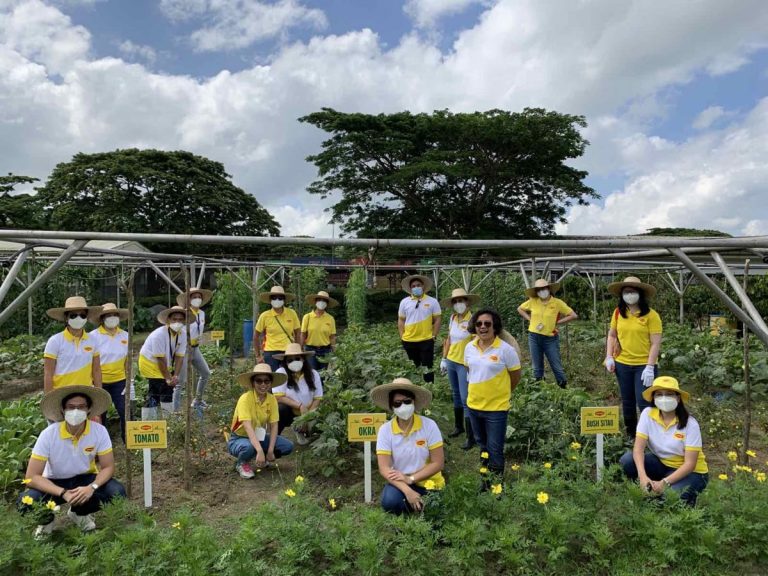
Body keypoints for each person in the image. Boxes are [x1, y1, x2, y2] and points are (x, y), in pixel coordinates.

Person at [18, 385, 127, 536]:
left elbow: (108, 467)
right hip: (54, 481)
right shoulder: (48, 435)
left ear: (89, 410)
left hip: (85, 479)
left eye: (81, 407)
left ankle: (79, 512)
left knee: (117, 492)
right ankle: (46, 521)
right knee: (26, 501)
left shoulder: (99, 431)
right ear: (63, 410)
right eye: (71, 407)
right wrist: (63, 493)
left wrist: (92, 487)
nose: (76, 411)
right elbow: (31, 477)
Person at [620, 376, 708, 506]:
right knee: (627, 461)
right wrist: (642, 477)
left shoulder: (690, 424)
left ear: (678, 398)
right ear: (653, 398)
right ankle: (646, 487)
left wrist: (664, 483)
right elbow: (638, 450)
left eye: (669, 394)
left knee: (670, 498)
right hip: (661, 464)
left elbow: (690, 464)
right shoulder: (647, 414)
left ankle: (683, 496)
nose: (664, 398)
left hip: (692, 472)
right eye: (659, 394)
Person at [464, 308, 522, 488]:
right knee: (482, 446)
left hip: (496, 409)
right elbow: (470, 371)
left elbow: (515, 376)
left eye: (487, 324)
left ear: (495, 327)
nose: (483, 327)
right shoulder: (469, 347)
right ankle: (485, 481)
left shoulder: (506, 350)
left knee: (495, 448)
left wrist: (502, 392)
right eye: (479, 324)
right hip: (474, 406)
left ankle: (497, 485)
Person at [372, 378, 445, 515]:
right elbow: (384, 468)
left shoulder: (429, 425)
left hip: (429, 481)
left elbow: (438, 462)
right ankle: (404, 522)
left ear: (414, 402)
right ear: (391, 406)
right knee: (390, 501)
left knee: (435, 514)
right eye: (397, 403)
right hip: (400, 482)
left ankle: (421, 512)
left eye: (407, 401)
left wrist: (411, 479)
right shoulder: (385, 430)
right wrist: (407, 489)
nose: (403, 406)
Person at [605, 276, 663, 438]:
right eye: (626, 291)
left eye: (633, 291)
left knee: (644, 401)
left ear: (640, 294)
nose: (629, 294)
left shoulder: (652, 316)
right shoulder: (618, 313)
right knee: (628, 400)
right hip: (622, 364)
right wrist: (609, 356)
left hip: (644, 366)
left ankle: (649, 435)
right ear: (622, 294)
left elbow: (655, 344)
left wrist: (650, 367)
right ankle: (631, 434)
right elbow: (611, 335)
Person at [228, 363, 294, 479]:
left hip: (259, 436)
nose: (263, 384)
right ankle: (242, 463)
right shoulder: (245, 399)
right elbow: (247, 427)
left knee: (287, 446)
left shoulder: (272, 399)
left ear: (271, 383)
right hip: (240, 437)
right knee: (249, 447)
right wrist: (259, 450)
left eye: (266, 381)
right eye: (259, 381)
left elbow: (274, 426)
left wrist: (270, 450)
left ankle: (261, 457)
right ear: (253, 383)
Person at [517, 278, 577, 388]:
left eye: (543, 288)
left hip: (550, 338)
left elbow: (573, 315)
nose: (542, 291)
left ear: (548, 289)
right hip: (533, 336)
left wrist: (558, 322)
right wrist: (529, 318)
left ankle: (563, 387)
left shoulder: (557, 303)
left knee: (556, 365)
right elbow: (520, 309)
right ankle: (539, 388)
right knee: (536, 366)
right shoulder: (533, 301)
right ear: (536, 292)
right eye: (539, 289)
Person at [439, 288, 480, 449]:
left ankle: (472, 437)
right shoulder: (452, 318)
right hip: (451, 361)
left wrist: (474, 363)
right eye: (455, 302)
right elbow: (448, 339)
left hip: (465, 364)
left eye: (461, 301)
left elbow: (477, 342)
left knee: (465, 398)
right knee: (455, 394)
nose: (458, 304)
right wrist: (444, 358)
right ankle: (459, 427)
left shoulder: (474, 320)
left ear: (468, 302)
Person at [43, 296, 103, 393]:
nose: (78, 318)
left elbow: (96, 370)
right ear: (66, 318)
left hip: (85, 393)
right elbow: (48, 373)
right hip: (61, 394)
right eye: (73, 315)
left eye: (82, 315)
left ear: (86, 318)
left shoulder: (93, 340)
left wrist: (99, 394)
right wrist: (49, 399)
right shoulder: (55, 341)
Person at [88, 303, 130, 441]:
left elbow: (127, 361)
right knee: (100, 414)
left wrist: (131, 381)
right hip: (100, 382)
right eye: (108, 315)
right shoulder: (92, 337)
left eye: (114, 315)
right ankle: (102, 445)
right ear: (102, 318)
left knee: (125, 411)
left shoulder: (125, 336)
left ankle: (128, 441)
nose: (112, 318)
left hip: (120, 382)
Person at [138, 306, 187, 413]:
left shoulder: (183, 334)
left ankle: (165, 418)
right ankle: (153, 420)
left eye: (180, 319)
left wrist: (175, 376)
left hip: (165, 363)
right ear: (168, 320)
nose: (177, 322)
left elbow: (180, 356)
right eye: (174, 319)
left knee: (164, 389)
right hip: (150, 362)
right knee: (161, 388)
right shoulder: (159, 335)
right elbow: (160, 359)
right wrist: (168, 378)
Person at [273, 343, 323, 445]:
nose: (294, 362)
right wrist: (300, 406)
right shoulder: (281, 373)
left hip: (310, 411)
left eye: (297, 358)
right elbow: (279, 397)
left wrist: (307, 417)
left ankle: (305, 431)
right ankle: (274, 439)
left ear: (303, 359)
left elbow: (317, 398)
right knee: (280, 409)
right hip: (290, 413)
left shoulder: (313, 374)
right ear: (285, 362)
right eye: (290, 360)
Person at [398, 274, 442, 383]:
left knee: (428, 367)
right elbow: (401, 320)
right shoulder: (404, 302)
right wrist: (402, 336)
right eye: (413, 286)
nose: (416, 287)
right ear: (410, 288)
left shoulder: (432, 301)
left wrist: (434, 335)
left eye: (418, 285)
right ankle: (415, 390)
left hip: (426, 340)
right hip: (409, 340)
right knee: (413, 367)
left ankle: (429, 390)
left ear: (423, 286)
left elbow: (437, 319)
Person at [174, 288, 213, 410]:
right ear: (189, 299)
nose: (197, 299)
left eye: (199, 297)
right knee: (180, 382)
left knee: (205, 373)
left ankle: (198, 400)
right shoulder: (185, 314)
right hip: (184, 349)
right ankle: (176, 411)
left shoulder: (201, 313)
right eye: (194, 297)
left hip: (195, 348)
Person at [254, 286, 300, 372]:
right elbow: (256, 336)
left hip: (288, 351)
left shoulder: (292, 313)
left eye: (280, 298)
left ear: (284, 300)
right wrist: (258, 356)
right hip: (271, 352)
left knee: (290, 378)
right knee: (273, 380)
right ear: (270, 299)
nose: (277, 300)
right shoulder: (265, 316)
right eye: (274, 297)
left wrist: (298, 349)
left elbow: (298, 333)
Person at [301, 290, 338, 371]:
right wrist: (300, 349)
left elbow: (332, 337)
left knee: (323, 375)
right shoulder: (307, 317)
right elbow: (303, 334)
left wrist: (335, 352)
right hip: (310, 350)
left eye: (324, 300)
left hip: (325, 351)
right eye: (319, 300)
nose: (322, 302)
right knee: (312, 374)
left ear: (327, 304)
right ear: (315, 302)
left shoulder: (330, 318)